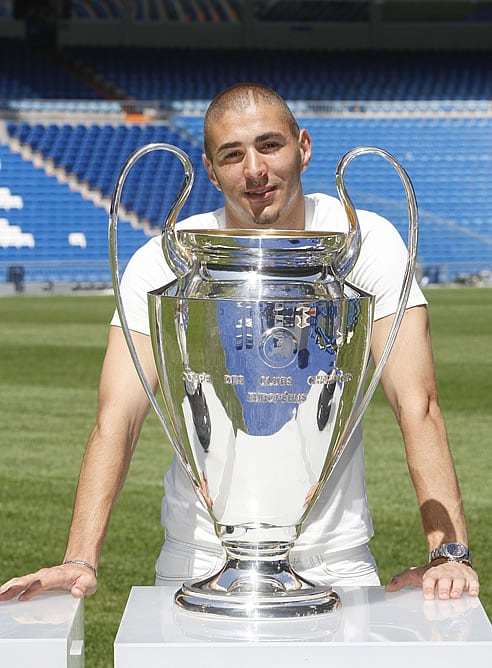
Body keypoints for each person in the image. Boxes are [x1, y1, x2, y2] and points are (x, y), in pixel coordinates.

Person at [0, 83, 479, 603]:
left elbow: (419, 404)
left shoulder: (367, 242)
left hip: (334, 557)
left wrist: (447, 553)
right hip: (200, 556)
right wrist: (79, 557)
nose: (254, 169)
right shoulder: (162, 260)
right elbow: (118, 418)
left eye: (269, 145)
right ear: (209, 169)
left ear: (304, 147)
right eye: (233, 154)